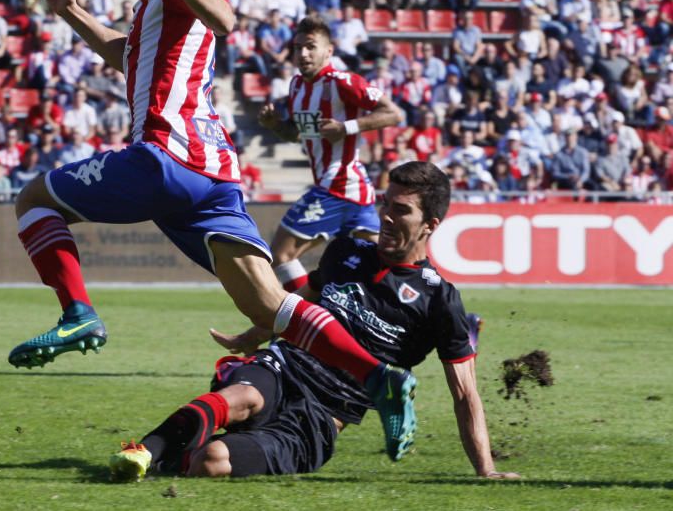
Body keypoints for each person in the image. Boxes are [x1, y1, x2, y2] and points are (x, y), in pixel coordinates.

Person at [14, 0, 418, 460]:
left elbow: (225, 19)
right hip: (210, 173)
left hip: (164, 155)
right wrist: (70, 10)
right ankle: (381, 378)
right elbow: (123, 53)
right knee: (265, 303)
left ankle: (77, 313)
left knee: (33, 199)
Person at [110, 162, 516, 481]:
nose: (387, 217)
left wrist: (485, 468)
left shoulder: (440, 300)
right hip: (285, 367)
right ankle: (142, 452)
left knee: (211, 460)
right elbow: (300, 305)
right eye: (385, 205)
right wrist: (255, 335)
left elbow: (465, 394)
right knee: (241, 399)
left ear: (431, 225)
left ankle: (177, 456)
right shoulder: (345, 252)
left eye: (401, 210)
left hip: (320, 419)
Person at [257, 15, 403, 294]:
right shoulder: (297, 86)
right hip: (351, 191)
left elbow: (393, 113)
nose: (303, 54)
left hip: (337, 185)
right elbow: (298, 134)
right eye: (298, 47)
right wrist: (274, 125)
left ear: (329, 51)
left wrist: (346, 127)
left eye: (311, 46)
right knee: (386, 265)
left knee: (282, 255)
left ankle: (303, 327)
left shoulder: (343, 82)